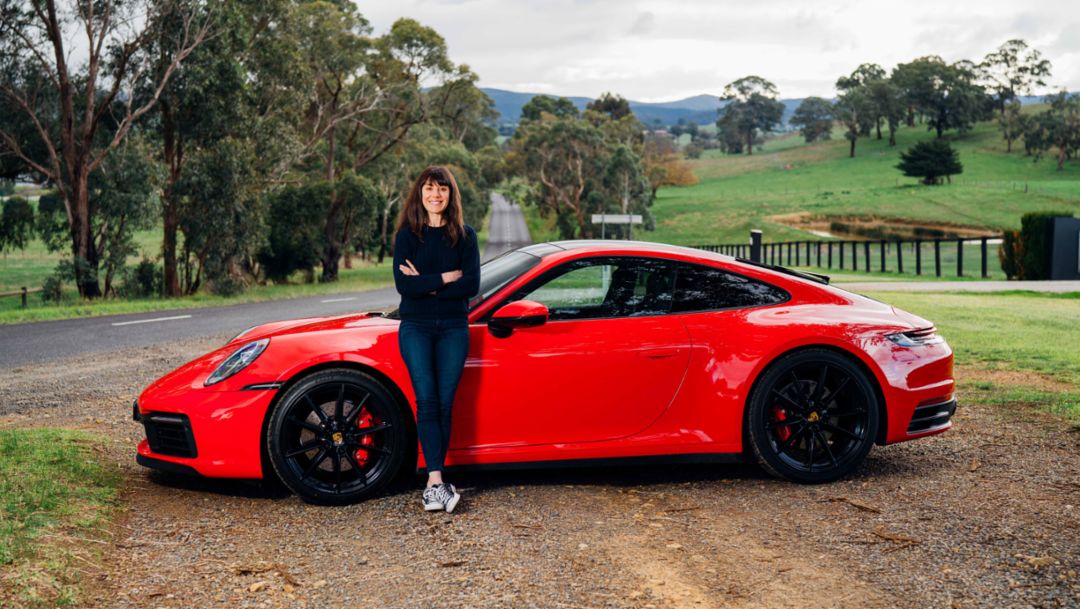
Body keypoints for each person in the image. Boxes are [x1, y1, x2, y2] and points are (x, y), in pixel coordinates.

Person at [393, 165, 480, 513]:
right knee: (426, 400)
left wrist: (426, 282)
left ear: (450, 194)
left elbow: (470, 286)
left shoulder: (465, 235)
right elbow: (404, 287)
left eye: (442, 189)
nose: (435, 195)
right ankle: (434, 482)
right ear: (420, 193)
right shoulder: (407, 236)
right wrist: (446, 277)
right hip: (415, 327)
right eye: (429, 188)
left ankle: (437, 483)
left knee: (445, 403)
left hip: (454, 329)